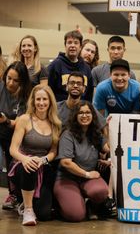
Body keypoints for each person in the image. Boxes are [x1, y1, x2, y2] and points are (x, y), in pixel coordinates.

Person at [9, 85, 61, 225]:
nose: (41, 103)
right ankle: (28, 209)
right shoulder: (25, 119)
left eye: (45, 99)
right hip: (22, 164)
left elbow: (53, 152)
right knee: (30, 166)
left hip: (43, 166)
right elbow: (13, 149)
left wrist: (43, 160)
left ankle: (24, 203)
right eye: (38, 99)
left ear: (50, 101)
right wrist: (26, 159)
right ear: (33, 101)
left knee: (44, 214)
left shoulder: (56, 123)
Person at [54, 102, 109, 222]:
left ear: (93, 115)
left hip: (87, 179)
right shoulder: (67, 134)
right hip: (67, 178)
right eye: (81, 113)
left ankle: (91, 206)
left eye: (88, 112)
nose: (84, 115)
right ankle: (61, 203)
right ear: (75, 116)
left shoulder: (95, 133)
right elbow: (66, 163)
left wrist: (113, 127)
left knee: (101, 191)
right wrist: (87, 174)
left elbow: (108, 147)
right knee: (76, 216)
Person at [0, 61, 32, 210]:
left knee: (11, 161)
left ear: (22, 81)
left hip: (14, 133)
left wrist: (5, 120)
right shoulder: (1, 87)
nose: (10, 83)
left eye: (15, 80)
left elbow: (19, 122)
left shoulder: (26, 96)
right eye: (8, 78)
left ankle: (14, 194)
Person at [48, 30, 93, 102]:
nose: (72, 45)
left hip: (81, 110)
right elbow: (49, 91)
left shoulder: (86, 68)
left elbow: (89, 95)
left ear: (80, 46)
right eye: (69, 42)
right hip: (60, 110)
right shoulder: (55, 65)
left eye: (76, 43)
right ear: (65, 45)